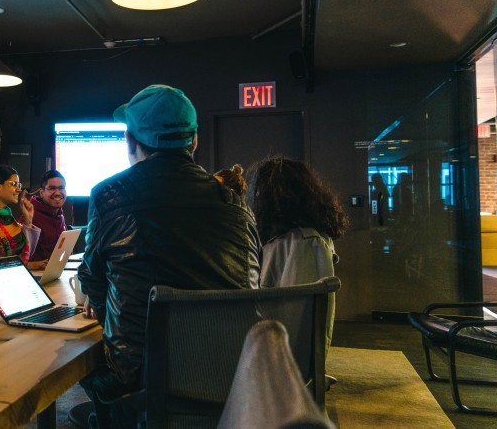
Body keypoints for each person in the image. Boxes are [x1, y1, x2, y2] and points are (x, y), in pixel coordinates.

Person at [77, 85, 261, 427]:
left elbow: (91, 280)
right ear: (194, 142)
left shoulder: (107, 196)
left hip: (138, 379)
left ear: (131, 142)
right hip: (228, 374)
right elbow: (251, 282)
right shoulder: (236, 204)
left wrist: (108, 310)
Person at [248, 156, 349, 356]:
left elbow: (294, 318)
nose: (256, 199)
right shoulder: (290, 237)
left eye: (260, 193)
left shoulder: (305, 242)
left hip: (284, 356)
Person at [29, 170, 68, 262]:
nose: (58, 193)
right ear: (42, 193)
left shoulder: (59, 213)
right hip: (37, 274)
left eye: (61, 188)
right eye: (52, 188)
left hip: (58, 270)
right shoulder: (30, 215)